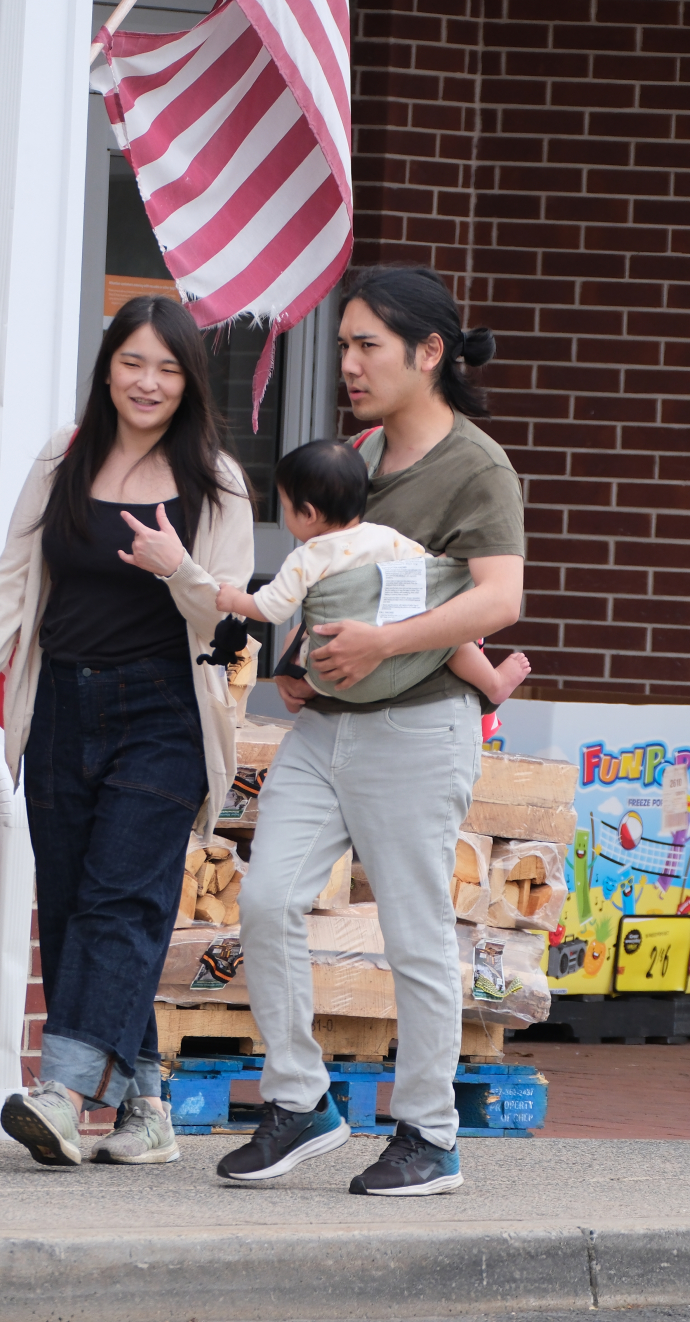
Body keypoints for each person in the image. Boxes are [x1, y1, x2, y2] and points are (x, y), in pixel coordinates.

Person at [220, 265, 527, 1196]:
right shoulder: (354, 452)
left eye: (367, 346)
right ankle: (302, 1101)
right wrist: (296, 666)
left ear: (429, 353)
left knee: (414, 930)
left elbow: (501, 596)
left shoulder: (476, 465)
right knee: (268, 900)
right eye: (344, 344)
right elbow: (319, 576)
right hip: (328, 729)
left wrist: (384, 643)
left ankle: (429, 1133)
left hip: (420, 727)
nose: (348, 363)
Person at [0, 294, 254, 1168]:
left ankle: (62, 1089)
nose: (148, 382)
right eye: (133, 363)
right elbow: (15, 570)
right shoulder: (65, 453)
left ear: (190, 379)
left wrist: (180, 568)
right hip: (61, 702)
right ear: (108, 367)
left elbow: (235, 622)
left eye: (167, 367)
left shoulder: (217, 481)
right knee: (80, 903)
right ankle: (148, 1106)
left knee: (125, 896)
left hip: (164, 711)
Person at [213, 437, 530, 705]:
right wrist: (448, 560)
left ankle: (304, 691)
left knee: (315, 638)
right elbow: (426, 572)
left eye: (284, 506)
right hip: (396, 660)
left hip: (334, 677)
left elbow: (271, 608)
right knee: (449, 640)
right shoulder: (384, 536)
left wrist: (233, 600)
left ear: (307, 514)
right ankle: (493, 682)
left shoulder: (305, 558)